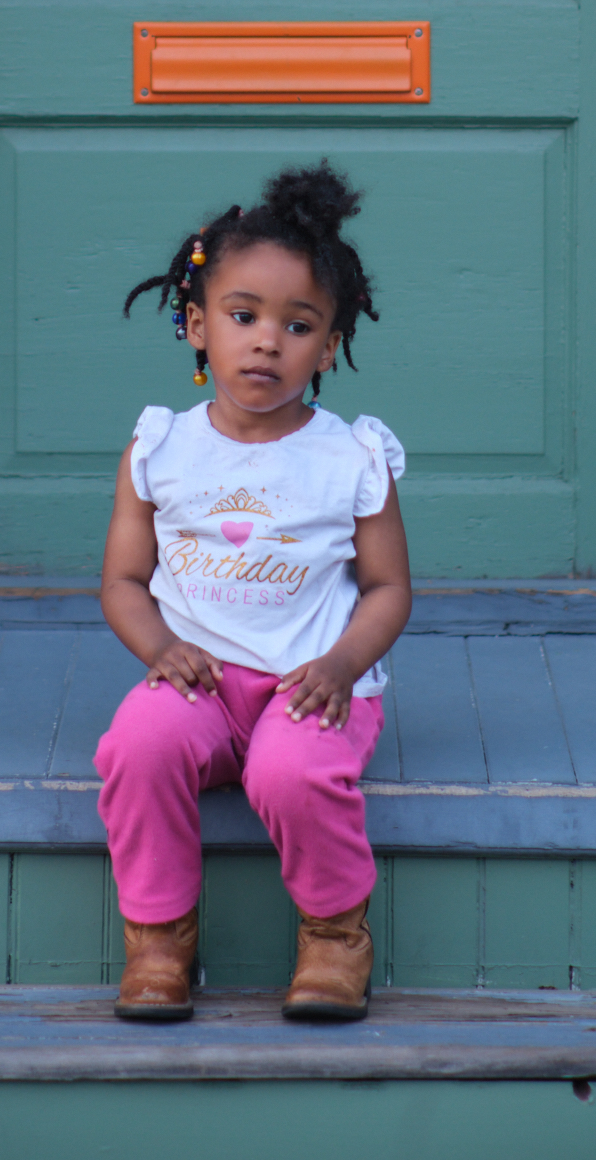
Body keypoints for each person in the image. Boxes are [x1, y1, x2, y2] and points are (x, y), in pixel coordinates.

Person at [94, 161, 412, 1024]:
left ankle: (333, 936)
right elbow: (123, 581)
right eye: (242, 317)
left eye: (297, 324)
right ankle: (159, 941)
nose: (266, 340)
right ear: (196, 326)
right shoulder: (161, 448)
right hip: (197, 678)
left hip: (310, 680)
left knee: (294, 769)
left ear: (331, 343)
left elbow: (387, 590)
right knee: (138, 747)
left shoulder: (351, 459)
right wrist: (161, 651)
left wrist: (342, 664)